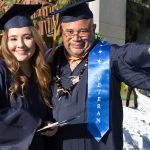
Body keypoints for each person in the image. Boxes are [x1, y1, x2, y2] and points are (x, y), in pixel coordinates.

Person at [47, 0, 150, 150]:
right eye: (69, 32)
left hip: (98, 145)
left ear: (93, 29)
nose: (76, 38)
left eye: (83, 31)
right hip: (60, 143)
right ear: (62, 31)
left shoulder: (107, 56)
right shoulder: (52, 59)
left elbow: (128, 53)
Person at [0, 4, 57, 150]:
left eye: (27, 37)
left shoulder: (42, 73)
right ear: (6, 42)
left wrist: (48, 124)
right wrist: (32, 121)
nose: (21, 45)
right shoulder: (1, 71)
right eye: (13, 39)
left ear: (36, 40)